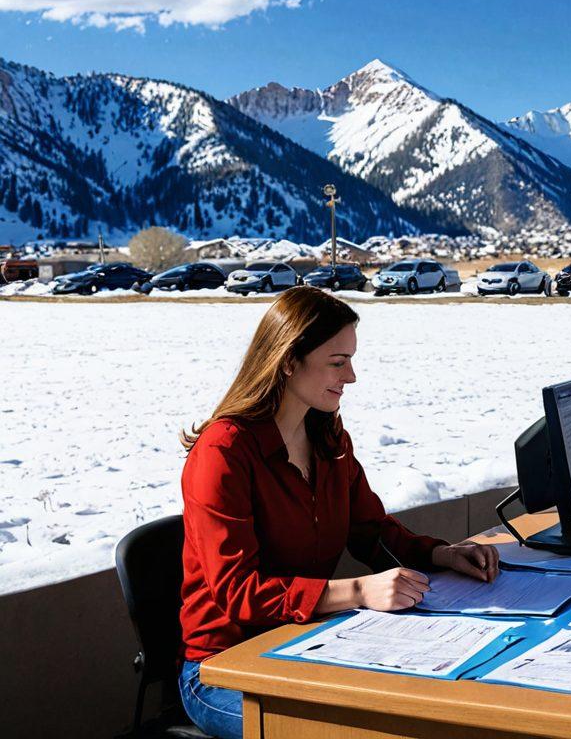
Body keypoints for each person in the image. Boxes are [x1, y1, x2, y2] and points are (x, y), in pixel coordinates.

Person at [176, 286, 500, 739]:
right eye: (337, 361)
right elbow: (238, 592)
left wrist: (442, 555)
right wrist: (358, 591)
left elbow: (372, 532)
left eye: (351, 359)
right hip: (224, 671)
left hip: (308, 644)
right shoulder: (224, 452)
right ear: (289, 361)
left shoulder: (328, 439)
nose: (351, 377)